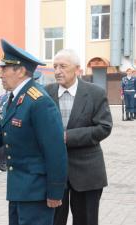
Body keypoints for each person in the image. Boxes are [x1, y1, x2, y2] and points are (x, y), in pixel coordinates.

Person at [0, 39, 67, 225]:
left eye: (4, 69)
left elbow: (55, 151)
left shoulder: (39, 101)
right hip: (19, 189)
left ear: (20, 70)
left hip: (37, 192)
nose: (0, 74)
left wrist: (55, 192)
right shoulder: (12, 98)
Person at [45, 49, 113, 225]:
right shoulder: (45, 93)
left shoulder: (95, 93)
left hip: (87, 172)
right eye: (55, 66)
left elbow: (104, 127)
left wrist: (68, 137)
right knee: (53, 221)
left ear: (77, 69)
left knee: (86, 221)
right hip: (53, 173)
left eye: (63, 66)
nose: (58, 71)